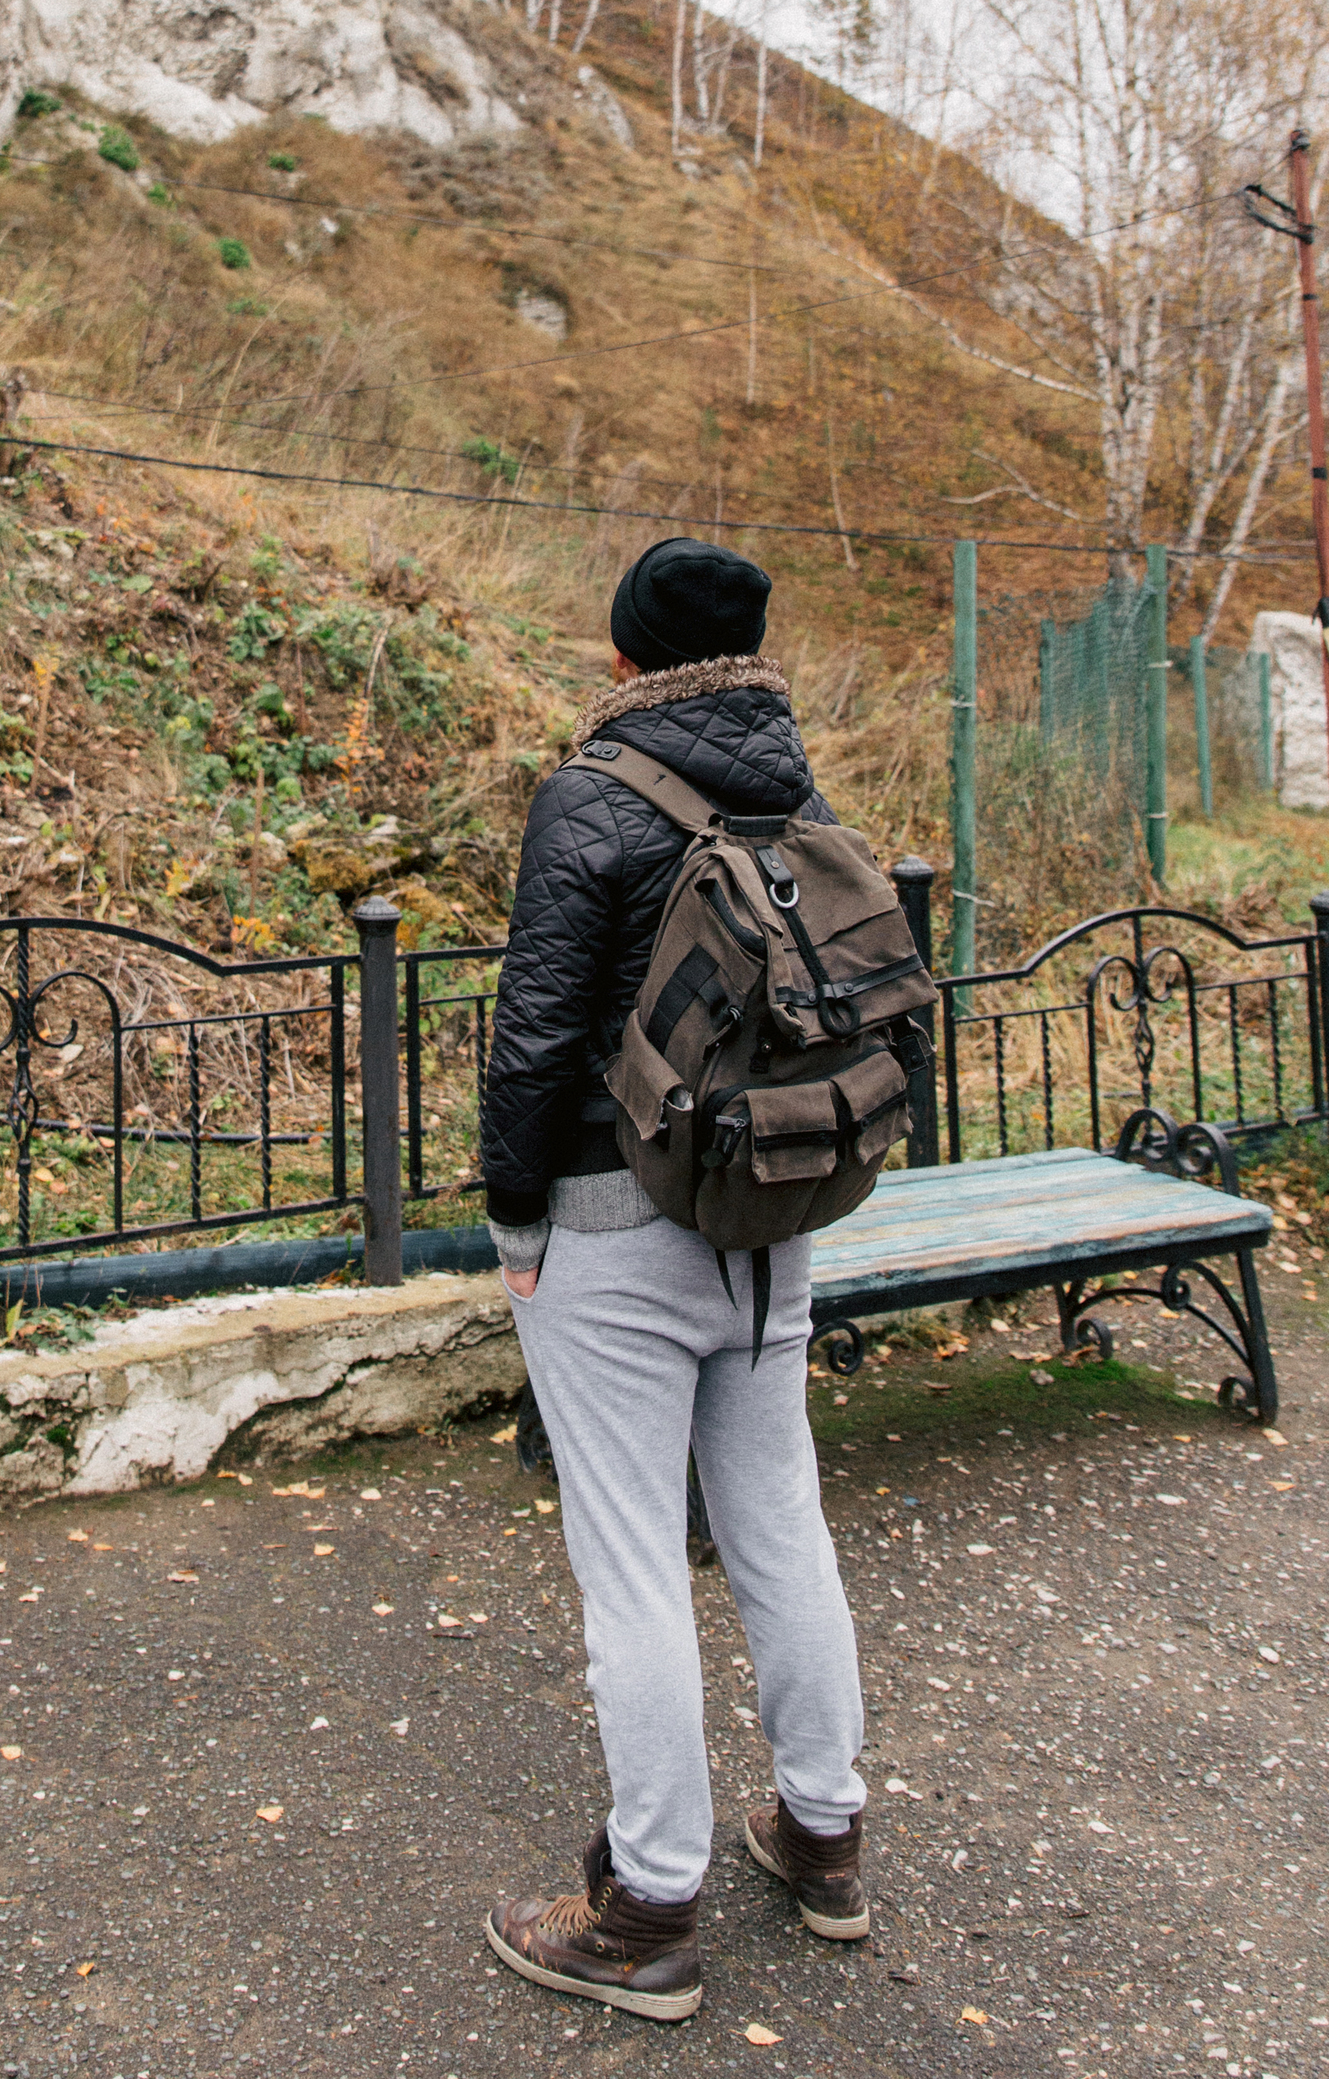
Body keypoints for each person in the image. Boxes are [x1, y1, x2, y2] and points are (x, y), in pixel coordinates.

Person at [480, 537, 869, 2025]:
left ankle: (645, 1910)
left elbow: (534, 1034)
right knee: (780, 1520)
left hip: (611, 1219)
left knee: (633, 1563)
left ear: (630, 649)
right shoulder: (798, 789)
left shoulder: (595, 792)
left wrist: (518, 1230)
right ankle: (823, 1834)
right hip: (772, 1216)